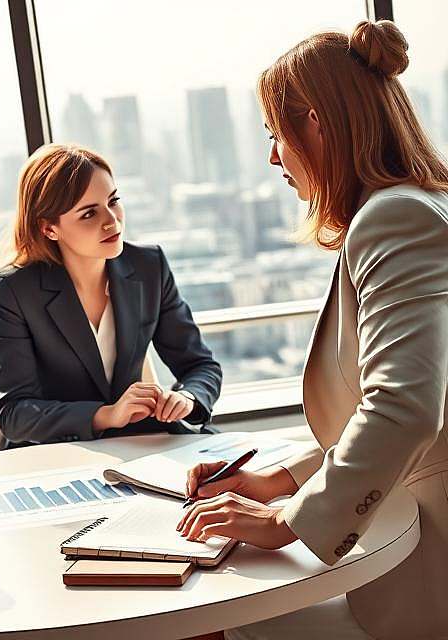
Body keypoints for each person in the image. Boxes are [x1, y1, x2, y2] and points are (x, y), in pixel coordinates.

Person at [177, 21, 448, 639]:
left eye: (277, 133)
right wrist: (281, 479)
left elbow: (405, 409)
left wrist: (284, 522)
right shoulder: (424, 204)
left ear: (318, 123)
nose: (274, 156)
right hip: (408, 534)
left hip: (428, 568)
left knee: (237, 624)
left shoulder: (393, 219)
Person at [0, 143, 222, 449]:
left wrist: (186, 398)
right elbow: (14, 413)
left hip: (140, 441)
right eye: (88, 214)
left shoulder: (149, 266)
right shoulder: (14, 290)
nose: (112, 220)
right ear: (49, 229)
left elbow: (200, 366)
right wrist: (105, 415)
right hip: (58, 453)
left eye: (114, 201)